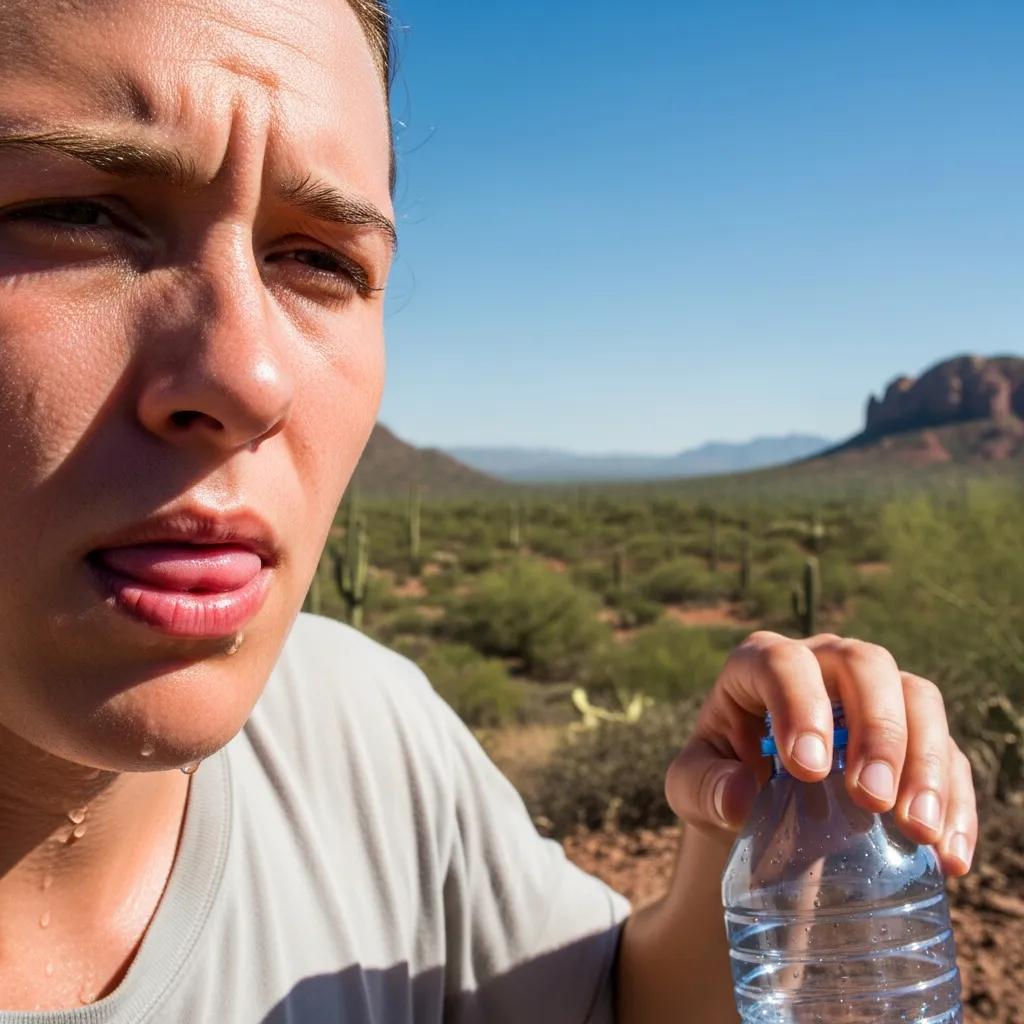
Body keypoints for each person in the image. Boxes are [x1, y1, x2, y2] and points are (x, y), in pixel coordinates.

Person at [0, 0, 978, 1020]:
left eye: (319, 261)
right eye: (76, 213)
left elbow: (612, 1003)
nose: (249, 373)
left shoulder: (357, 728)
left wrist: (743, 857)